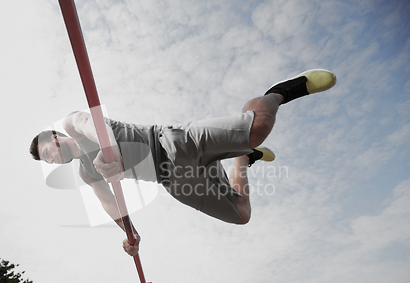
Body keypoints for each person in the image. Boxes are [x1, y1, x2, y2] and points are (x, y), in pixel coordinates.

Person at [30, 69, 336, 256]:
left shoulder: (72, 124)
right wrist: (129, 233)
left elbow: (96, 126)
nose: (52, 160)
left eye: (47, 153)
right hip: (176, 182)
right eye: (48, 161)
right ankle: (242, 159)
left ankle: (277, 93)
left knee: (258, 128)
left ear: (54, 137)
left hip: (172, 143)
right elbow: (110, 203)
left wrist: (111, 151)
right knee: (241, 214)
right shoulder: (87, 173)